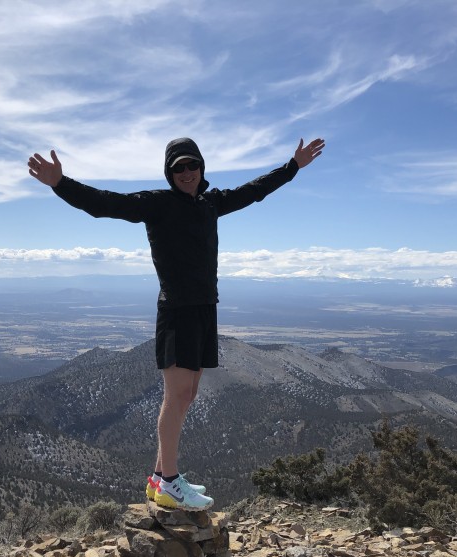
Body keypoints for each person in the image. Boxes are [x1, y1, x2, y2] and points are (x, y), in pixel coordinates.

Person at [28, 136, 325, 511]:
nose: (186, 173)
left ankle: (158, 478)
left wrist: (292, 166)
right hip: (177, 311)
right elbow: (105, 204)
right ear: (169, 173)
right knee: (177, 396)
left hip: (204, 309)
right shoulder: (157, 204)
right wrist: (60, 183)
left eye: (192, 165)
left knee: (189, 394)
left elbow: (255, 191)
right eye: (178, 168)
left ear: (202, 168)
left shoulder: (211, 202)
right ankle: (169, 481)